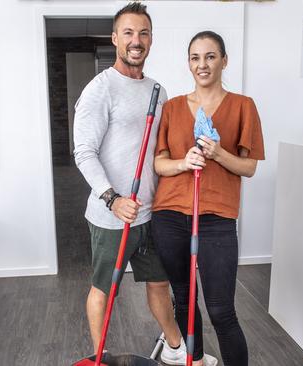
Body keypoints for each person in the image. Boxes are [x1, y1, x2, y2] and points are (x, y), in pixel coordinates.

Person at [73, 3, 218, 365]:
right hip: (113, 215)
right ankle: (100, 357)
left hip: (152, 212)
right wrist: (112, 199)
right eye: (128, 33)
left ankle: (173, 348)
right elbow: (84, 152)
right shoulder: (99, 89)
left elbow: (160, 149)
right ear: (115, 39)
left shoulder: (158, 90)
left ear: (150, 39)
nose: (136, 41)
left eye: (143, 33)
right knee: (104, 290)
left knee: (159, 284)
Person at [151, 30, 265, 366]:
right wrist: (184, 162)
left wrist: (218, 154)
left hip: (216, 218)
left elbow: (249, 167)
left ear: (224, 61)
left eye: (211, 56)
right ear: (188, 63)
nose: (203, 64)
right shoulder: (171, 108)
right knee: (184, 302)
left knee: (221, 309)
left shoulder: (243, 106)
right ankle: (195, 362)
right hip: (170, 215)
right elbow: (159, 163)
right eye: (195, 58)